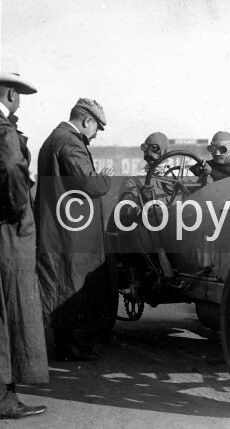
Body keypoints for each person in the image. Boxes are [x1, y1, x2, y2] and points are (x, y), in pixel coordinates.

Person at [36, 98, 113, 361]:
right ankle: (70, 347)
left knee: (61, 285)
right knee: (71, 285)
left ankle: (66, 344)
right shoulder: (70, 142)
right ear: (87, 120)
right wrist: (104, 177)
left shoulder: (54, 138)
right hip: (70, 233)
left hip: (58, 228)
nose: (96, 134)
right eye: (96, 128)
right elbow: (90, 185)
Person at [0, 72, 48, 419]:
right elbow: (12, 170)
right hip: (7, 231)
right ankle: (4, 397)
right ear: (9, 93)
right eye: (17, 93)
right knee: (12, 307)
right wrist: (19, 211)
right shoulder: (4, 132)